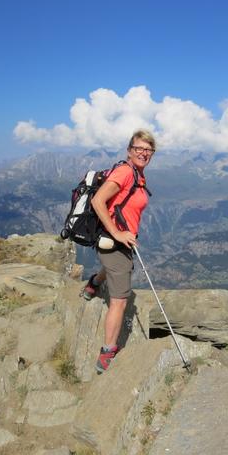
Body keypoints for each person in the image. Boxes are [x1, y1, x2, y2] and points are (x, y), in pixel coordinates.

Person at [83, 129, 156, 373]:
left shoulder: (138, 175)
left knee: (112, 269)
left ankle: (93, 282)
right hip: (113, 240)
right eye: (139, 148)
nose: (143, 153)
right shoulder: (125, 172)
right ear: (129, 150)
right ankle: (107, 352)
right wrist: (117, 233)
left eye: (148, 149)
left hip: (120, 241)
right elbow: (97, 201)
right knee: (120, 300)